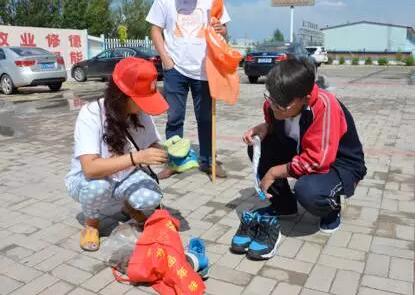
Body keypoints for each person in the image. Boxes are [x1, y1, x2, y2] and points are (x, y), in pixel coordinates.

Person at [231, 57, 366, 260]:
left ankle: (332, 208)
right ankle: (283, 205)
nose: (273, 106)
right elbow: (284, 127)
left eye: (281, 105)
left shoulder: (325, 106)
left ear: (304, 97)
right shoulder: (276, 103)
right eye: (271, 99)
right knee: (259, 147)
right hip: (305, 151)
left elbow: (317, 161)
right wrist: (266, 127)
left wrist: (273, 172)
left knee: (308, 190)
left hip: (339, 164)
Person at [65, 57, 169, 251]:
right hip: (88, 180)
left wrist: (169, 154)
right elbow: (90, 169)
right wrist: (136, 158)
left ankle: (128, 206)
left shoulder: (140, 114)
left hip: (125, 175)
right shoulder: (92, 113)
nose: (144, 106)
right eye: (141, 100)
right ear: (121, 96)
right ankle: (91, 224)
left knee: (150, 197)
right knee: (98, 187)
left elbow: (151, 144)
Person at [146, 0, 230, 179]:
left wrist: (223, 31)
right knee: (174, 117)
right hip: (175, 69)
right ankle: (175, 161)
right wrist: (165, 58)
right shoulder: (164, 2)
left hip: (205, 69)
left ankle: (208, 161)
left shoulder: (214, 2)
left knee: (206, 118)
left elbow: (224, 32)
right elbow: (155, 29)